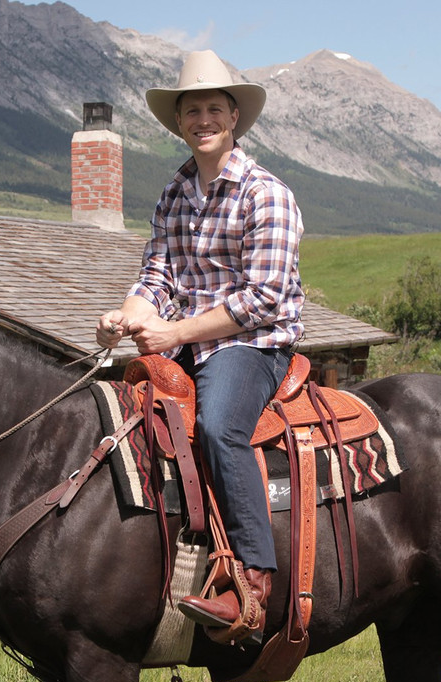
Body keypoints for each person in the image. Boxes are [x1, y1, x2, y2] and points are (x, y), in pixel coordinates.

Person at [96, 50, 305, 638]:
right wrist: (124, 317)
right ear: (180, 122)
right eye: (192, 111)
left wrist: (174, 333)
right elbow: (157, 278)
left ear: (234, 117)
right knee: (123, 419)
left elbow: (262, 298)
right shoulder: (175, 193)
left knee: (219, 427)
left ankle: (253, 583)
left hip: (253, 345)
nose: (203, 119)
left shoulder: (266, 194)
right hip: (185, 341)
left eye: (215, 108)